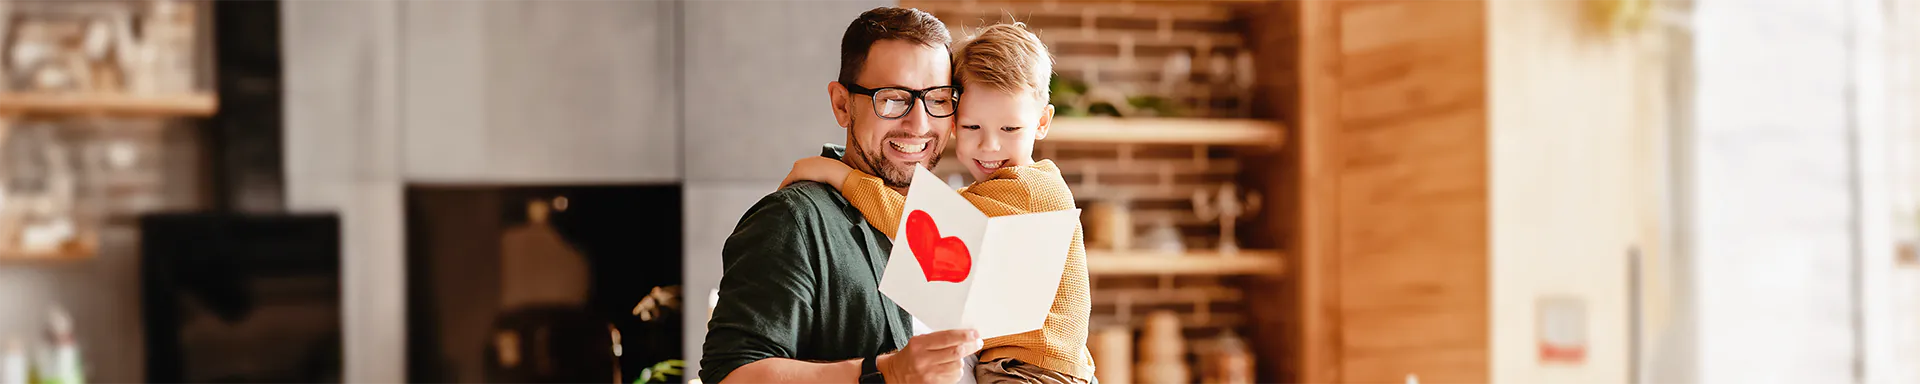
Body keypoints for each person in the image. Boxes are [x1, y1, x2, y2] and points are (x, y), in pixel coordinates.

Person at [780, 23, 1094, 384]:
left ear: (1041, 122)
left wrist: (838, 174)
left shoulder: (1029, 188)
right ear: (954, 123)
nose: (990, 146)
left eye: (1010, 129)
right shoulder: (998, 191)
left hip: (1031, 372)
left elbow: (915, 222)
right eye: (973, 127)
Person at [699, 7, 983, 384]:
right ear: (842, 105)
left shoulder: (959, 218)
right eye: (893, 99)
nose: (919, 124)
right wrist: (887, 371)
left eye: (938, 99)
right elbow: (731, 375)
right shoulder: (794, 220)